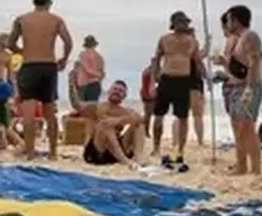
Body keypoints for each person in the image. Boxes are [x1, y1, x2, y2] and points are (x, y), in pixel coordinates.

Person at [7, 0, 72, 160]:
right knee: (50, 112)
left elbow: (9, 42)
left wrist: (22, 51)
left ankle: (30, 153)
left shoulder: (22, 20)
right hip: (48, 65)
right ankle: (52, 153)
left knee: (28, 113)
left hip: (29, 65)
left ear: (34, 2)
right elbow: (68, 41)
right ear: (49, 2)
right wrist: (64, 59)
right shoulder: (56, 20)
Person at [150, 11, 202, 171]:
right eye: (178, 22)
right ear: (173, 23)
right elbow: (157, 57)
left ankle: (180, 149)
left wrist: (202, 79)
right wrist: (154, 76)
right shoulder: (165, 39)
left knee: (182, 116)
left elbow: (197, 62)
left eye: (184, 22)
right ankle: (156, 147)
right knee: (158, 114)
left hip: (183, 80)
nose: (182, 25)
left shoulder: (192, 41)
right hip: (167, 78)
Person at [224, 5, 262, 175]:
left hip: (249, 86)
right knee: (238, 129)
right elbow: (240, 66)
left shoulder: (250, 36)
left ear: (236, 20)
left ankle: (256, 169)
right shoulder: (238, 39)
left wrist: (249, 88)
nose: (226, 23)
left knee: (247, 128)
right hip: (236, 86)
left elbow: (254, 61)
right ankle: (241, 166)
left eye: (228, 19)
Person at [70, 78, 144, 168]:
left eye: (120, 91)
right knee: (105, 124)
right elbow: (76, 105)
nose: (117, 92)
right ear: (109, 91)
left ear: (124, 96)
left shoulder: (124, 111)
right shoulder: (97, 107)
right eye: (115, 89)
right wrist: (71, 86)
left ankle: (138, 158)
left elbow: (140, 119)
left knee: (139, 125)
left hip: (115, 152)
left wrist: (117, 121)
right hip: (98, 151)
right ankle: (125, 161)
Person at [75, 35, 106, 103]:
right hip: (95, 85)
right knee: (92, 108)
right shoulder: (99, 57)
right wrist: (99, 77)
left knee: (84, 109)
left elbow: (87, 69)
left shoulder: (83, 54)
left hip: (85, 86)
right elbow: (102, 73)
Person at [139, 66, 157, 137]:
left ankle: (144, 130)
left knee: (147, 114)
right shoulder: (150, 72)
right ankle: (144, 131)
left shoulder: (146, 71)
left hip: (145, 94)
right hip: (148, 95)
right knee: (148, 114)